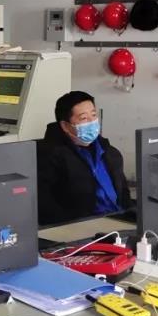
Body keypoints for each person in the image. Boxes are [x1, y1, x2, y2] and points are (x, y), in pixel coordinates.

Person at [36, 91, 132, 226]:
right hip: (83, 227)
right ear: (65, 126)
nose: (92, 122)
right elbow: (46, 207)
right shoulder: (49, 157)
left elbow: (124, 195)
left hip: (118, 221)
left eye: (94, 115)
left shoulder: (109, 152)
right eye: (84, 118)